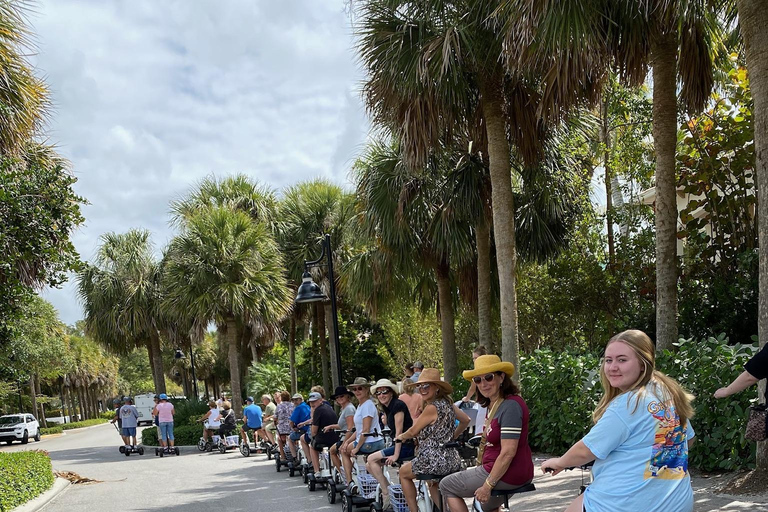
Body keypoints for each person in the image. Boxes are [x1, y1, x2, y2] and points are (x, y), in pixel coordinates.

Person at [541, 330, 696, 512]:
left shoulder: (630, 403)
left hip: (626, 504)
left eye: (622, 360)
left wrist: (560, 462)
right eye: (608, 360)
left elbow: (585, 451)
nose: (613, 367)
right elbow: (689, 440)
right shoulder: (667, 393)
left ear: (643, 363)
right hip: (676, 503)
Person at [440, 355, 533, 512]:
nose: (483, 384)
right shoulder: (495, 404)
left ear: (501, 377)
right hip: (501, 470)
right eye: (478, 380)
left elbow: (508, 453)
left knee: (446, 485)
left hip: (509, 472)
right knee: (483, 507)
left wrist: (488, 485)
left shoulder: (510, 406)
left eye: (489, 378)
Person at [395, 369, 470, 512]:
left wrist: (401, 437)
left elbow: (413, 431)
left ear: (437, 387)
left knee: (403, 473)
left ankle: (413, 510)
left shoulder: (431, 407)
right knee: (433, 483)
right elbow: (466, 420)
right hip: (451, 457)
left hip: (433, 459)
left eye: (427, 386)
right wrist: (451, 436)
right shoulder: (448, 404)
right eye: (420, 386)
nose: (422, 390)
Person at [367, 378, 414, 511]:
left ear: (391, 392)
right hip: (399, 445)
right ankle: (391, 491)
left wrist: (395, 455)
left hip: (406, 446)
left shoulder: (397, 405)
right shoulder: (388, 407)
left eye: (385, 392)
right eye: (378, 393)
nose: (381, 395)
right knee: (369, 465)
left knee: (371, 459)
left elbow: (399, 433)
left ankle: (386, 492)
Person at [341, 377, 386, 495]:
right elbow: (359, 430)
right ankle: (372, 485)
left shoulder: (367, 405)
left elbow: (365, 430)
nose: (357, 391)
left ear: (367, 389)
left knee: (343, 452)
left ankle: (350, 482)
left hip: (370, 442)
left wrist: (356, 448)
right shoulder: (361, 405)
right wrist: (347, 441)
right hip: (370, 440)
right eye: (354, 389)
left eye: (360, 388)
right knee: (346, 447)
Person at [304, 391, 339, 477]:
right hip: (335, 436)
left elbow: (314, 431)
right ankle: (336, 468)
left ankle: (317, 471)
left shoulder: (318, 411)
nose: (312, 404)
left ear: (320, 400)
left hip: (325, 437)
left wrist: (312, 436)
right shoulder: (328, 407)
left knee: (312, 445)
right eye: (311, 402)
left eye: (314, 401)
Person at [325, 386, 356, 477]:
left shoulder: (349, 409)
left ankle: (345, 475)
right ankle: (345, 472)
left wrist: (345, 443)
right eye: (337, 397)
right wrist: (330, 426)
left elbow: (350, 427)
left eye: (341, 396)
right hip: (344, 436)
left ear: (347, 396)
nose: (339, 399)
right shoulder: (344, 409)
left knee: (332, 451)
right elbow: (342, 425)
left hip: (348, 437)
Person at [288, 393, 311, 465]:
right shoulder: (307, 406)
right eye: (293, 400)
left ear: (301, 400)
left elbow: (291, 422)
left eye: (296, 400)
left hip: (303, 431)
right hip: (310, 430)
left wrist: (294, 427)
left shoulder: (298, 408)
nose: (294, 402)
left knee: (290, 438)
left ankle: (295, 458)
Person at [274, 390, 294, 463]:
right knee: (294, 439)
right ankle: (295, 452)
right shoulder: (293, 405)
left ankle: (282, 456)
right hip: (292, 427)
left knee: (280, 439)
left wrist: (275, 421)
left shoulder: (279, 406)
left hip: (282, 429)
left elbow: (275, 417)